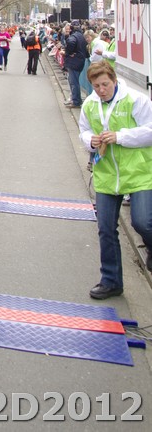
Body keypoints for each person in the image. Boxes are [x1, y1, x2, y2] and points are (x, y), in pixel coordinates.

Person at [78, 61, 152, 299]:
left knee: (142, 222)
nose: (101, 90)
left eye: (105, 84)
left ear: (114, 80)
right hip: (107, 175)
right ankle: (111, 281)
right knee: (106, 229)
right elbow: (83, 131)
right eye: (96, 86)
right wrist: (90, 141)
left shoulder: (136, 100)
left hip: (138, 173)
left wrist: (120, 137)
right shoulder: (90, 104)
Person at [63, 22, 88, 107]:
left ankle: (76, 101)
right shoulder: (81, 36)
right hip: (79, 61)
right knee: (75, 82)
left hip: (74, 62)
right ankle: (76, 100)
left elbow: (71, 42)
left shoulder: (73, 36)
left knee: (74, 82)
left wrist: (68, 53)